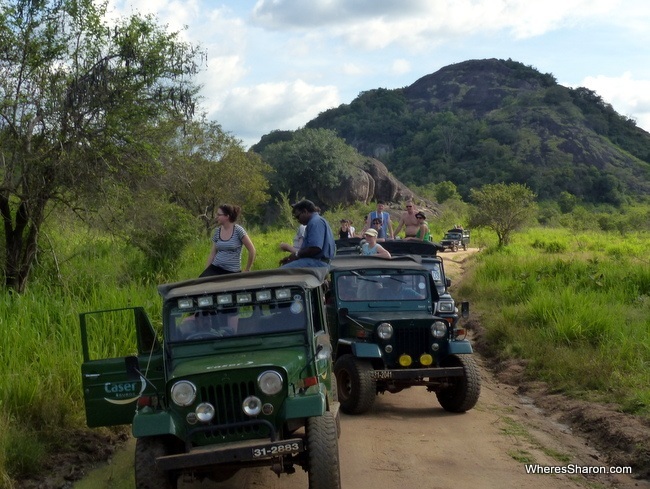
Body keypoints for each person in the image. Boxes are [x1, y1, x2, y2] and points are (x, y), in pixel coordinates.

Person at [200, 204, 256, 277]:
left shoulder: (238, 230)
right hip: (215, 268)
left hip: (232, 271)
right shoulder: (217, 231)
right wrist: (206, 271)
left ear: (227, 216)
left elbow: (252, 250)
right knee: (201, 284)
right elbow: (213, 253)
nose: (216, 217)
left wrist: (247, 269)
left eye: (219, 215)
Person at [280, 199, 335, 268]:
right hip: (316, 261)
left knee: (280, 272)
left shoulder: (315, 222)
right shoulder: (316, 221)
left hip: (318, 263)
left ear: (305, 211)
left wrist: (297, 254)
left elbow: (315, 248)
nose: (298, 220)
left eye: (298, 217)